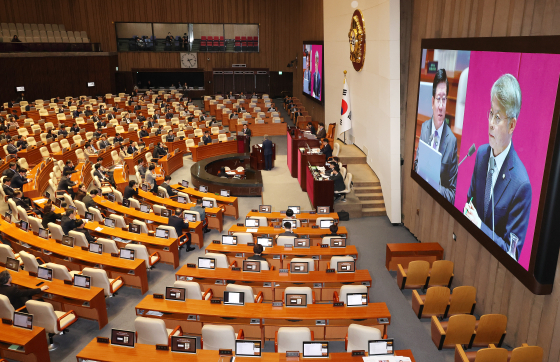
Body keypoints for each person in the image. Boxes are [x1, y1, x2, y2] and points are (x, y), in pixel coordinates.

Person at [464, 74, 531, 261]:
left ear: (512, 125)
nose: (491, 124)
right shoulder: (482, 155)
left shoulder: (521, 185)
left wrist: (479, 226)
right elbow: (470, 203)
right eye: (491, 114)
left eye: (498, 117)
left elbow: (512, 254)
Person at [413, 68, 458, 204]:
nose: (440, 106)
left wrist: (437, 188)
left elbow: (452, 193)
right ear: (432, 102)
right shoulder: (425, 128)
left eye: (444, 99)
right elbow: (416, 164)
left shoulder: (451, 141)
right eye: (438, 99)